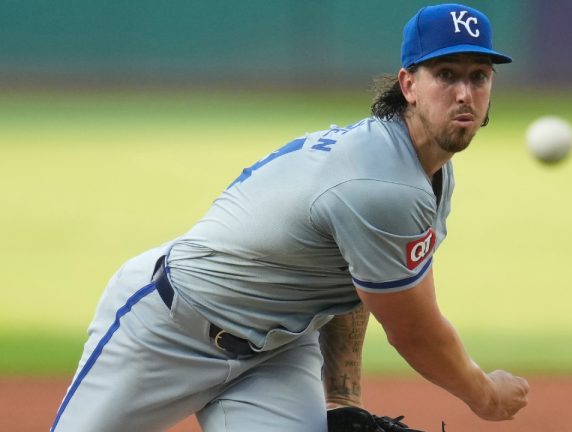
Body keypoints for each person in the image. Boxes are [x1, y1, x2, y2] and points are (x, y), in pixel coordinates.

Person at [51, 3, 530, 431]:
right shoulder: (381, 184)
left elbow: (358, 276)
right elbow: (414, 333)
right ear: (408, 84)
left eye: (479, 75)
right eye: (446, 74)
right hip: (166, 332)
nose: (465, 93)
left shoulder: (424, 169)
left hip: (275, 355)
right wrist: (484, 394)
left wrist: (342, 398)